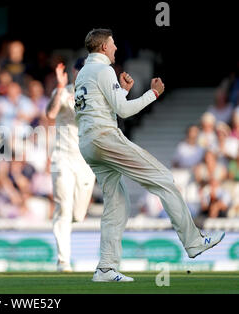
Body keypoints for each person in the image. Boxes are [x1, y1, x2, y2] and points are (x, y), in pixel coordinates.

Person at [74, 29, 225, 282]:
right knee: (164, 178)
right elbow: (122, 112)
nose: (116, 48)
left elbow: (104, 105)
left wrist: (120, 90)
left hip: (88, 143)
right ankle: (194, 241)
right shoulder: (103, 70)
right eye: (112, 44)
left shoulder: (84, 74)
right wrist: (152, 94)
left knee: (118, 204)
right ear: (102, 48)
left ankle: (105, 268)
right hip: (104, 138)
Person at [46, 58, 96, 272]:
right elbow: (50, 114)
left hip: (85, 163)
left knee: (77, 214)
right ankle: (63, 261)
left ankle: (64, 254)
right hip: (62, 159)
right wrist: (59, 88)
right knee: (63, 209)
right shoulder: (63, 92)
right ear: (75, 72)